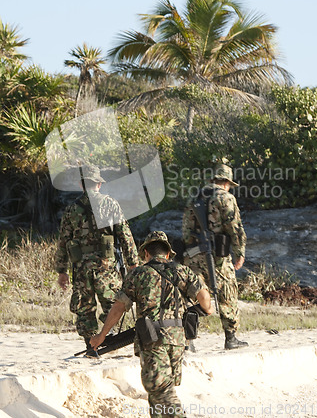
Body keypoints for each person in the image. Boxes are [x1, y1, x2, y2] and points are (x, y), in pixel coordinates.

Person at [90, 231, 212, 417]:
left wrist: (101, 335)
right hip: (178, 340)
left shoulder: (138, 274)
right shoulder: (183, 270)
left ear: (146, 253)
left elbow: (118, 308)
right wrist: (202, 311)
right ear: (168, 253)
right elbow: (205, 299)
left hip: (153, 339)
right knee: (157, 393)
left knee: (161, 389)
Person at [55, 165, 139, 354]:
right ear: (99, 184)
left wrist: (62, 271)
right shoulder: (111, 204)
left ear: (81, 184)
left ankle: (89, 344)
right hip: (106, 266)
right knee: (112, 303)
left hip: (81, 267)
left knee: (84, 307)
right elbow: (125, 235)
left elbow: (63, 242)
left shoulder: (71, 210)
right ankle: (107, 338)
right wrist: (132, 263)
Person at [182, 162, 248, 350]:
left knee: (193, 295)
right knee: (227, 292)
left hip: (193, 254)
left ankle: (189, 341)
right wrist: (239, 253)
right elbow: (235, 229)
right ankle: (231, 337)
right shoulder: (226, 198)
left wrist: (189, 253)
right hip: (217, 256)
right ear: (226, 182)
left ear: (213, 180)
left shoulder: (194, 197)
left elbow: (186, 230)